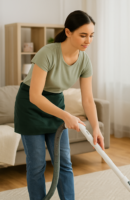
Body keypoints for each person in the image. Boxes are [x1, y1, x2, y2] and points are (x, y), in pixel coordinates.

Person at [14, 10, 104, 200]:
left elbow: (87, 99)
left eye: (91, 36)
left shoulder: (84, 60)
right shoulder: (47, 53)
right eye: (83, 35)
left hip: (55, 104)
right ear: (68, 32)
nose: (88, 40)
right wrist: (66, 116)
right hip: (31, 108)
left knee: (64, 162)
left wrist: (96, 127)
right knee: (37, 164)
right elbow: (35, 96)